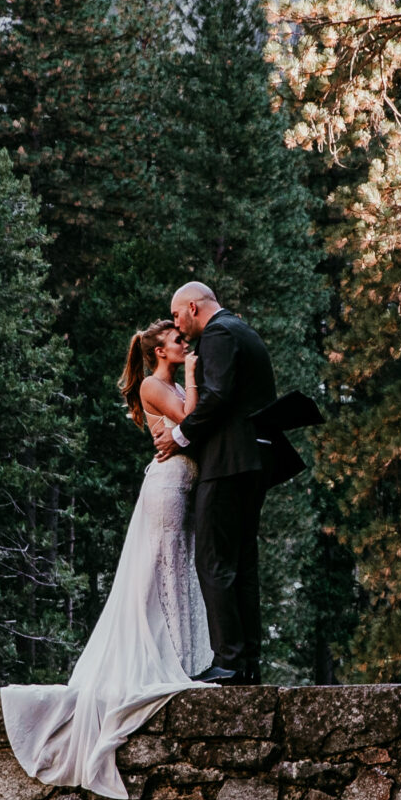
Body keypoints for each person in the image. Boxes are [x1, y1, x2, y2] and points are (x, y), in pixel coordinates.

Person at [0, 320, 212, 799]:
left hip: (181, 479)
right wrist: (195, 375)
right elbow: (189, 416)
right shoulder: (154, 385)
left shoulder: (165, 382)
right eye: (178, 341)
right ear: (160, 349)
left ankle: (177, 654)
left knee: (177, 567)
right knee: (161, 568)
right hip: (168, 485)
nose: (185, 345)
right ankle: (170, 659)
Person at [157, 279, 281, 685]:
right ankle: (246, 662)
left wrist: (178, 436)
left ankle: (228, 661)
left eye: (177, 315)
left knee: (213, 559)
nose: (177, 324)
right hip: (254, 461)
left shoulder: (219, 332)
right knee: (242, 563)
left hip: (228, 463)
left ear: (194, 307)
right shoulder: (245, 331)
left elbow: (217, 397)